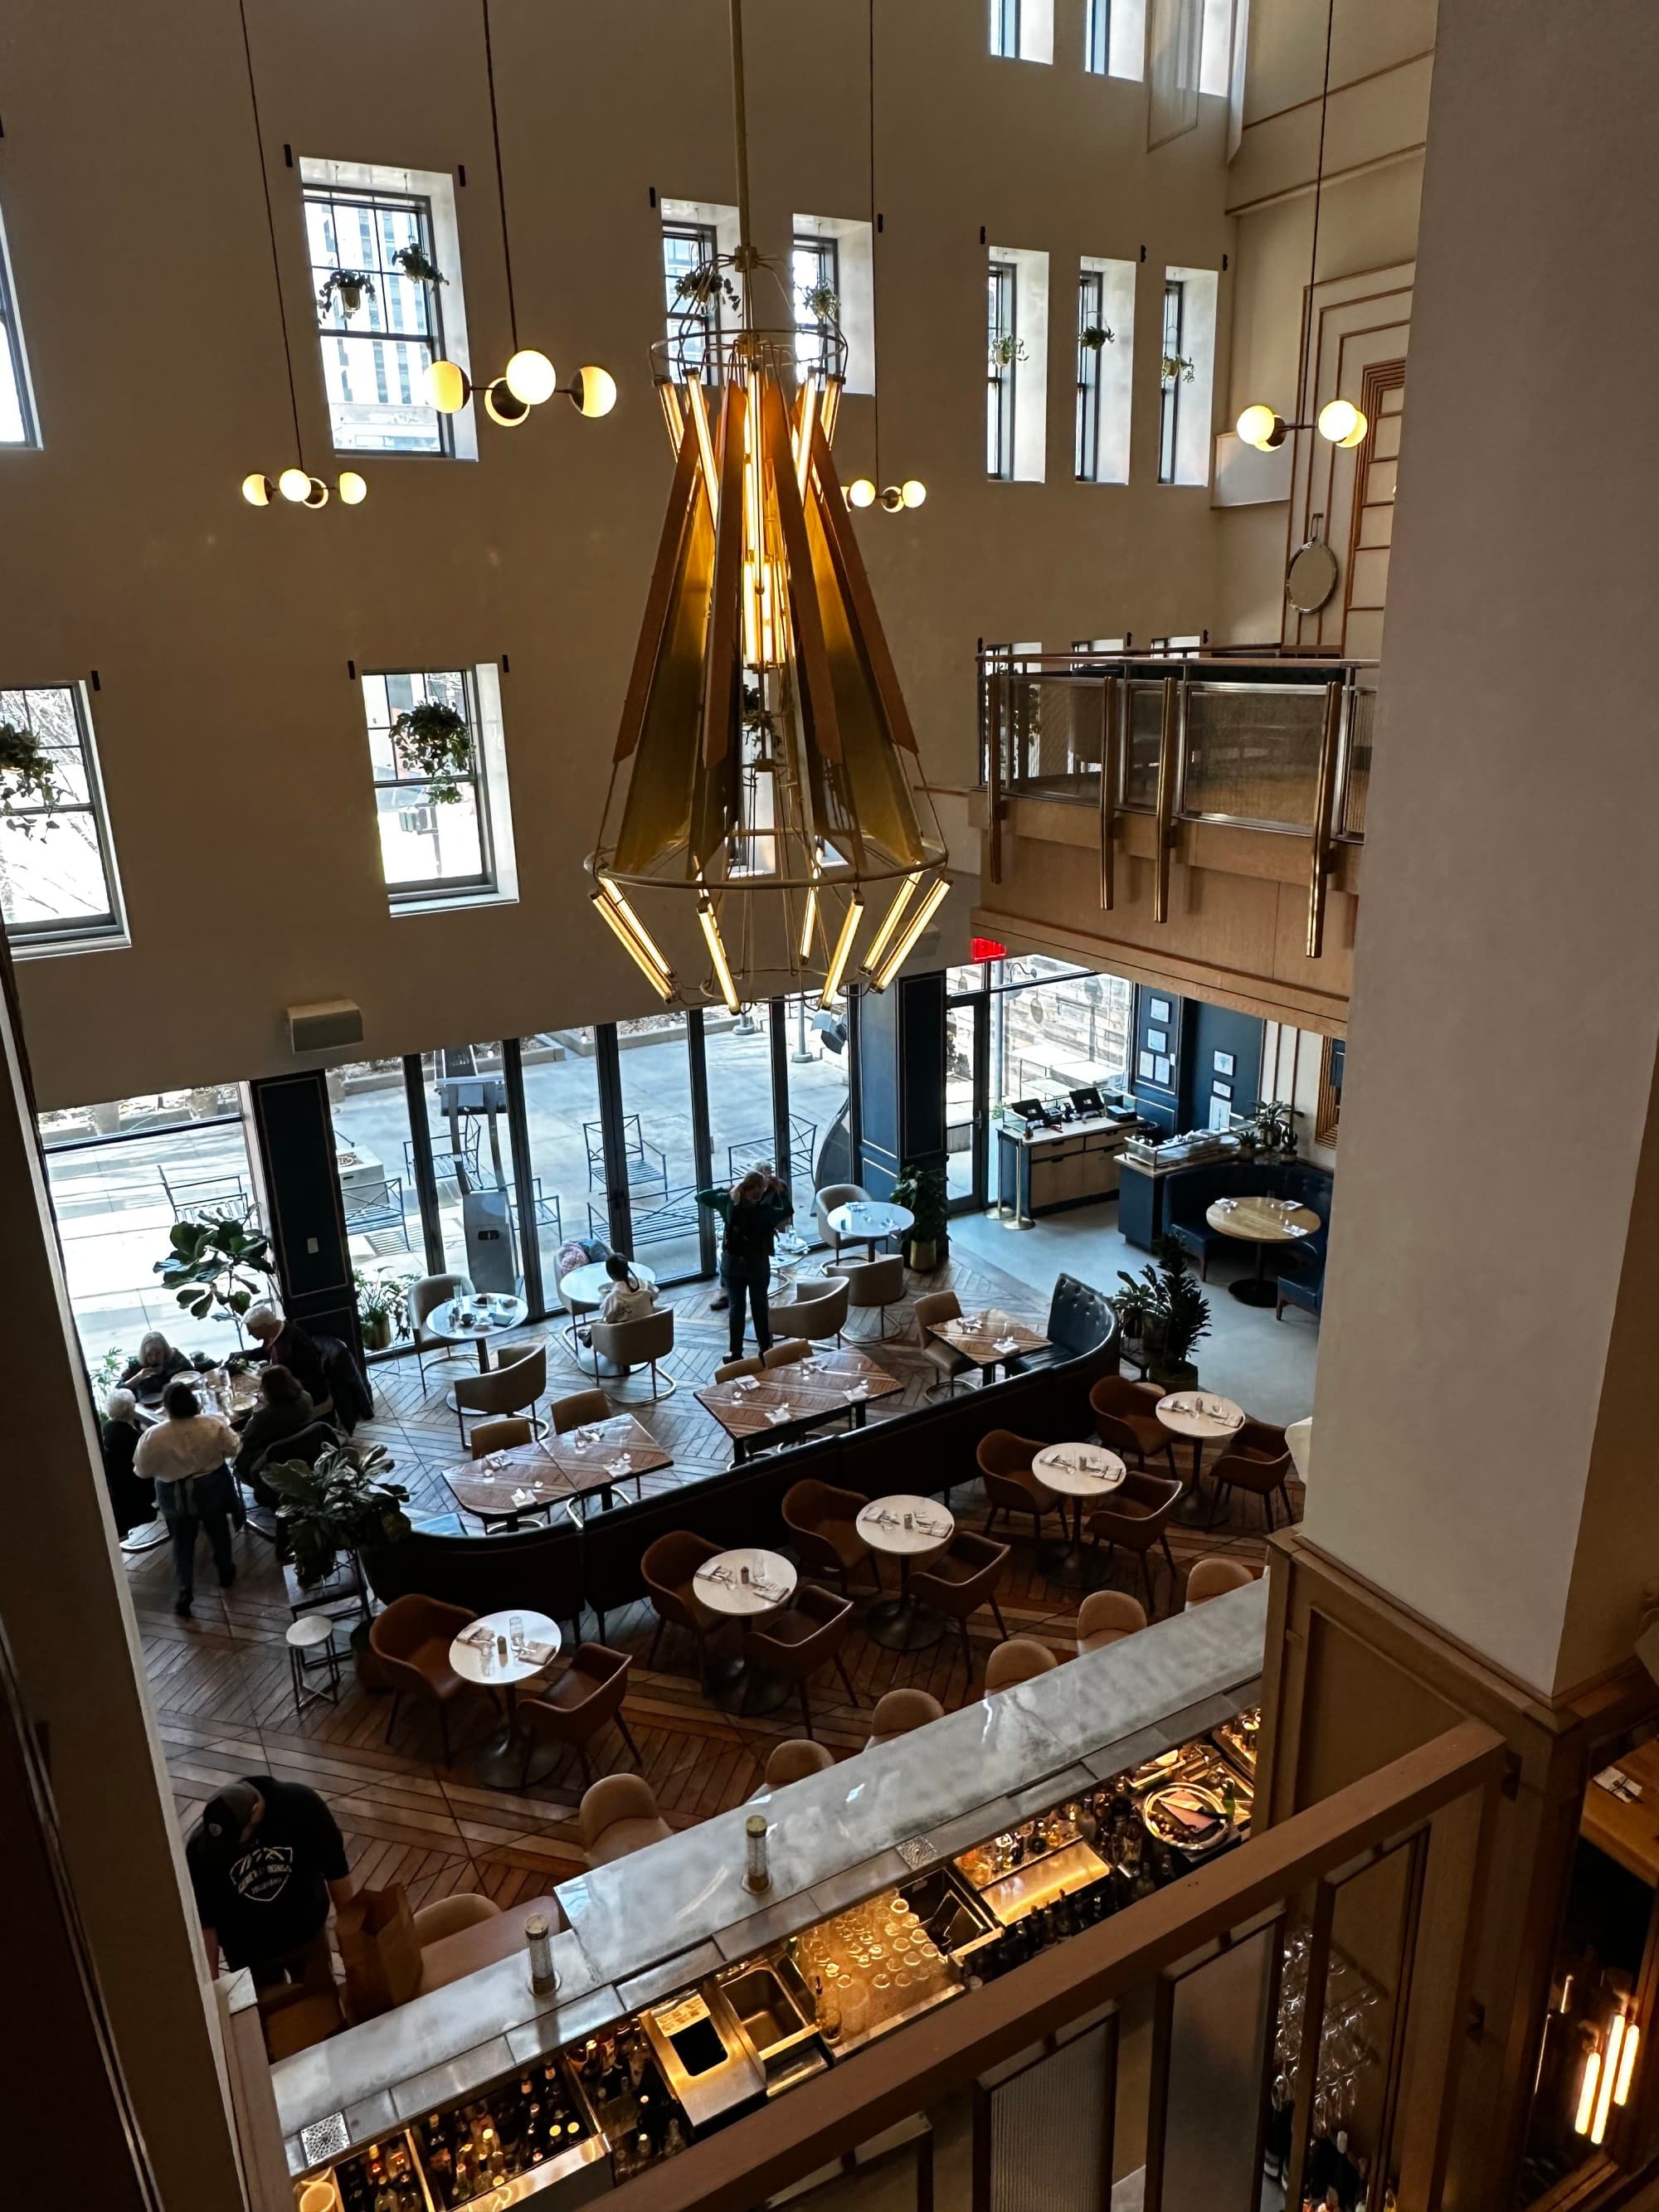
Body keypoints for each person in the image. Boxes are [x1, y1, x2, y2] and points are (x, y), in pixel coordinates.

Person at [186, 1777, 353, 1993]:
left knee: (322, 1999)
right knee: (268, 2012)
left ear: (255, 1812)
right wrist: (212, 1988)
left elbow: (336, 1871)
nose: (226, 1848)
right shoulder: (203, 1847)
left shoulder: (302, 1806)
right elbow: (206, 1920)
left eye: (235, 1838)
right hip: (249, 1955)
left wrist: (352, 1937)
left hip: (307, 1935)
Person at [134, 1379, 241, 1616]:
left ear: (167, 1406)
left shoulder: (153, 1436)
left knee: (182, 1542)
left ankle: (185, 1588)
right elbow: (234, 1447)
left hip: (173, 1494)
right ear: (193, 1401)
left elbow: (142, 1471)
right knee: (219, 1532)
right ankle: (225, 1572)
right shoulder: (212, 1424)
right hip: (211, 1487)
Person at [696, 1165, 793, 1360]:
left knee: (736, 1307)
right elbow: (787, 1210)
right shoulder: (765, 1211)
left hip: (732, 1265)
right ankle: (765, 1350)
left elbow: (701, 1197)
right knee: (760, 1307)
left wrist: (727, 1189)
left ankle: (735, 1352)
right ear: (761, 1190)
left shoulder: (728, 1202)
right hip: (757, 1264)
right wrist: (780, 1190)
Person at [234, 1364, 319, 1505]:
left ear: (268, 1392)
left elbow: (245, 1439)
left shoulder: (262, 1418)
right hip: (305, 1450)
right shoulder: (306, 1397)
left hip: (272, 1462)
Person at [245, 1304, 333, 1417]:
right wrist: (245, 1355)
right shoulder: (275, 1333)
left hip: (307, 1394)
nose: (250, 1334)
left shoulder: (293, 1341)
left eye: (252, 1331)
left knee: (261, 1415)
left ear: (264, 1327)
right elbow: (265, 1351)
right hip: (288, 1387)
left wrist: (268, 1393)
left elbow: (310, 1379)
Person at [100, 1387, 154, 1539]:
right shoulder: (132, 1438)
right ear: (131, 1409)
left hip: (120, 1492)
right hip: (137, 1491)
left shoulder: (107, 1430)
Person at [120, 1330, 192, 1409]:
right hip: (146, 1410)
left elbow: (193, 1376)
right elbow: (118, 1393)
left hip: (176, 1405)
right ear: (144, 1353)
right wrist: (138, 1377)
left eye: (158, 1353)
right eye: (149, 1354)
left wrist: (174, 1386)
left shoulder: (176, 1359)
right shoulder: (137, 1366)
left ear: (165, 1351)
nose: (154, 1358)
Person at [599, 1252, 658, 1325]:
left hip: (626, 1331)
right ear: (627, 1269)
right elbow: (655, 1296)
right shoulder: (645, 1285)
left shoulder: (613, 1298)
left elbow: (608, 1318)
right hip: (651, 1326)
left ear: (610, 1275)